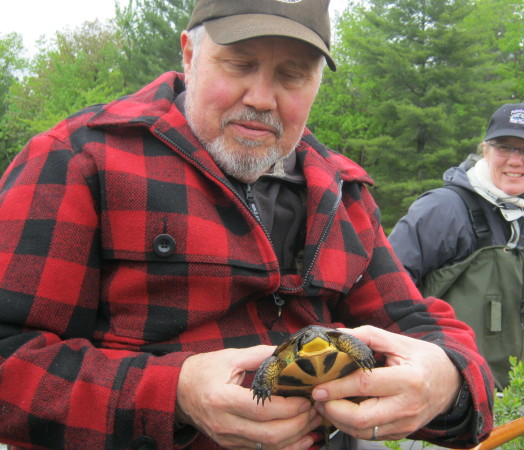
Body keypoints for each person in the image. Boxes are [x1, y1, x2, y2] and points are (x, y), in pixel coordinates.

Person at [0, 1, 494, 449]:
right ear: (190, 54)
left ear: (317, 83)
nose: (261, 97)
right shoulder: (79, 160)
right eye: (239, 64)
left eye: (292, 75)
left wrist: (446, 380)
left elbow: (415, 324)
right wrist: (174, 395)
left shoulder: (343, 191)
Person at [388, 102, 524, 389]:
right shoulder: (444, 208)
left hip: (517, 391)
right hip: (444, 389)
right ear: (485, 150)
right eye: (504, 147)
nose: (515, 160)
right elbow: (388, 289)